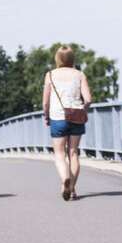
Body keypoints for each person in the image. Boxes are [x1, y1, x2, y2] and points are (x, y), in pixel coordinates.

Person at [42, 46, 92, 201]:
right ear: (72, 59)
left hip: (58, 116)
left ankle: (65, 179)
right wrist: (82, 108)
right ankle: (72, 189)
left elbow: (45, 101)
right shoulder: (79, 74)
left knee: (59, 153)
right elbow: (89, 99)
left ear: (57, 58)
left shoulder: (50, 75)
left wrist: (46, 115)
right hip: (76, 115)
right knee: (74, 153)